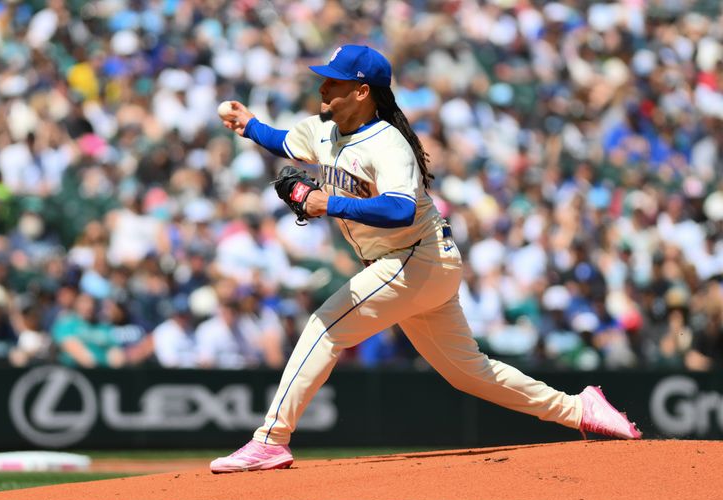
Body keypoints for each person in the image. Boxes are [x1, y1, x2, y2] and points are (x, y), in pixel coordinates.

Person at [211, 44, 641, 474]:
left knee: (326, 327)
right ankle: (579, 409)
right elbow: (282, 141)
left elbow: (400, 210)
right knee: (469, 373)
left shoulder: (387, 143)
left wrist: (328, 204)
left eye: (334, 80)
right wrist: (248, 124)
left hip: (415, 257)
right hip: (417, 265)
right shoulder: (320, 131)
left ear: (362, 92)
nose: (323, 86)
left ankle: (270, 439)